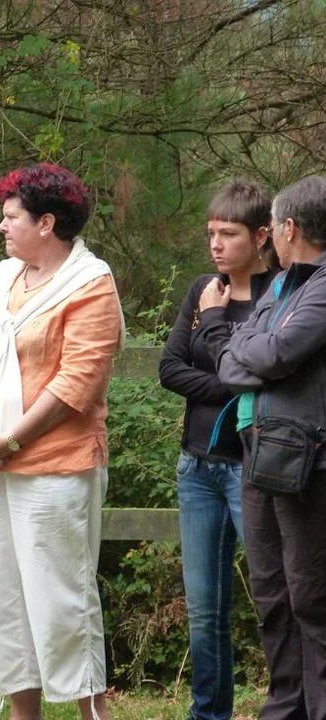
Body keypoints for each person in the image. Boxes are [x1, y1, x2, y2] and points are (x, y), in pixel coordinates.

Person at [0, 163, 124, 720]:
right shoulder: (0, 278)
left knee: (62, 600)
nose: (1, 227)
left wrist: (12, 439)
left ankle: (90, 714)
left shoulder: (91, 283)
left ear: (46, 223)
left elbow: (77, 383)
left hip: (56, 466)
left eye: (11, 218)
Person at [158, 180, 277, 720]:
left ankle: (290, 705)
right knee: (205, 611)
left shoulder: (280, 295)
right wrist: (231, 385)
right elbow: (170, 369)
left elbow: (264, 371)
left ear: (262, 236)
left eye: (228, 234)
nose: (216, 244)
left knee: (276, 599)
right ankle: (208, 714)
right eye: (211, 233)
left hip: (254, 469)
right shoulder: (204, 290)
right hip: (197, 468)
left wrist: (218, 342)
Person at [216, 175, 326, 720]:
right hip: (260, 453)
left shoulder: (323, 287)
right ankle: (284, 708)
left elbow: (280, 353)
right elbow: (230, 360)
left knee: (311, 595)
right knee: (271, 592)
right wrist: (252, 353)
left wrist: (250, 351)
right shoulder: (282, 285)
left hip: (308, 462)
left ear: (289, 228)